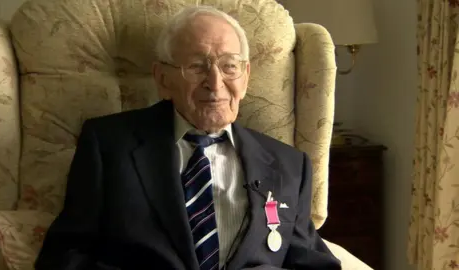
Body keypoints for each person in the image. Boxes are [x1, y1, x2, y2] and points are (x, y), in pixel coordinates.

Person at [35, 5, 341, 270]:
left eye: (229, 66)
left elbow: (314, 262)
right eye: (197, 66)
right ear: (163, 78)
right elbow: (63, 257)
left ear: (246, 76)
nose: (215, 83)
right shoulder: (108, 145)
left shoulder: (288, 165)